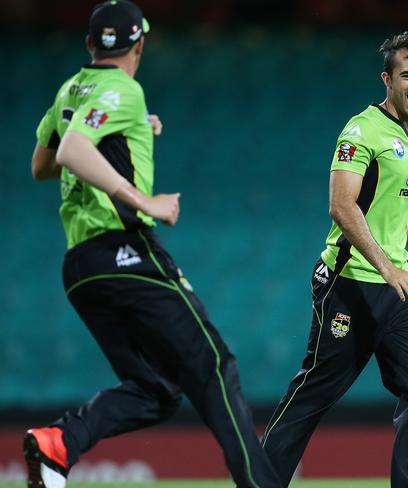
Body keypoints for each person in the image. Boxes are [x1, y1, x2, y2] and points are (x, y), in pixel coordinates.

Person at [25, 2, 281, 487]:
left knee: (157, 389)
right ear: (139, 44)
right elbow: (73, 150)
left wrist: (134, 130)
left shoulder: (70, 90)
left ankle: (61, 442)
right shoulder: (123, 88)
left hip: (80, 268)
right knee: (213, 365)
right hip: (123, 252)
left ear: (88, 45)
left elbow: (42, 164)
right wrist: (144, 199)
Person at [261, 31, 408, 488]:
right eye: (407, 74)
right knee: (314, 394)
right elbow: (342, 206)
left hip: (398, 288)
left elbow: (395, 209)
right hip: (349, 284)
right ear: (386, 79)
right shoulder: (361, 130)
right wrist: (388, 269)